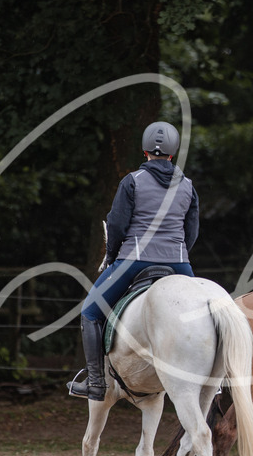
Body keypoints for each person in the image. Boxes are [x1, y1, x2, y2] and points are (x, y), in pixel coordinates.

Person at [69, 121, 199, 401]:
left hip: (134, 261)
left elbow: (116, 225)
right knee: (204, 312)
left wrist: (114, 255)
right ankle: (217, 379)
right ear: (173, 154)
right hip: (178, 264)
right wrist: (178, 253)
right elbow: (192, 231)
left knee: (90, 312)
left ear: (144, 151)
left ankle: (95, 383)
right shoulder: (188, 186)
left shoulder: (132, 181)